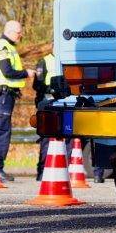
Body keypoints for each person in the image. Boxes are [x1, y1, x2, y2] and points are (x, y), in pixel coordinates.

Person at [0, 20, 33, 183]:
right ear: (10, 31)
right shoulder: (2, 46)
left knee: (3, 130)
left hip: (6, 95)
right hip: (2, 95)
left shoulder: (9, 46)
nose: (21, 35)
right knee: (2, 131)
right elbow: (7, 71)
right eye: (19, 32)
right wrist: (26, 73)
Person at [32, 49, 67, 180]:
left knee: (67, 138)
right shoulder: (44, 61)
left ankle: (65, 170)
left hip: (64, 102)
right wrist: (51, 90)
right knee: (47, 138)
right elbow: (37, 84)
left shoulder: (66, 59)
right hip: (47, 102)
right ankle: (42, 171)